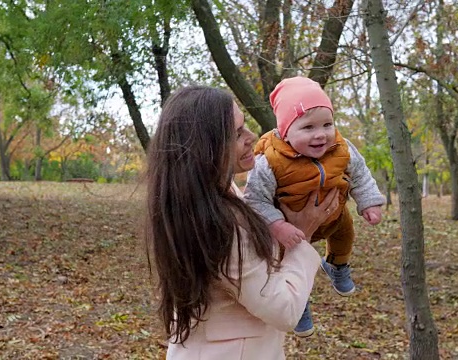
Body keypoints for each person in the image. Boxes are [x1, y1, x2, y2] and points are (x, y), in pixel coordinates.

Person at [146, 85, 340, 359]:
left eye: (245, 126)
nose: (251, 137)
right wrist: (302, 235)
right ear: (206, 147)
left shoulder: (199, 200)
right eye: (237, 134)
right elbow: (283, 310)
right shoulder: (220, 223)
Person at [244, 76, 386, 337]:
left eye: (327, 124)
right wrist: (277, 225)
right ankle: (299, 304)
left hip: (334, 216)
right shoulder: (269, 162)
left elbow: (361, 174)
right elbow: (255, 199)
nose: (321, 134)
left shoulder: (341, 148)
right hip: (290, 228)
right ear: (285, 131)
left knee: (346, 233)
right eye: (308, 127)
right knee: (288, 263)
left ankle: (337, 265)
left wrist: (369, 202)